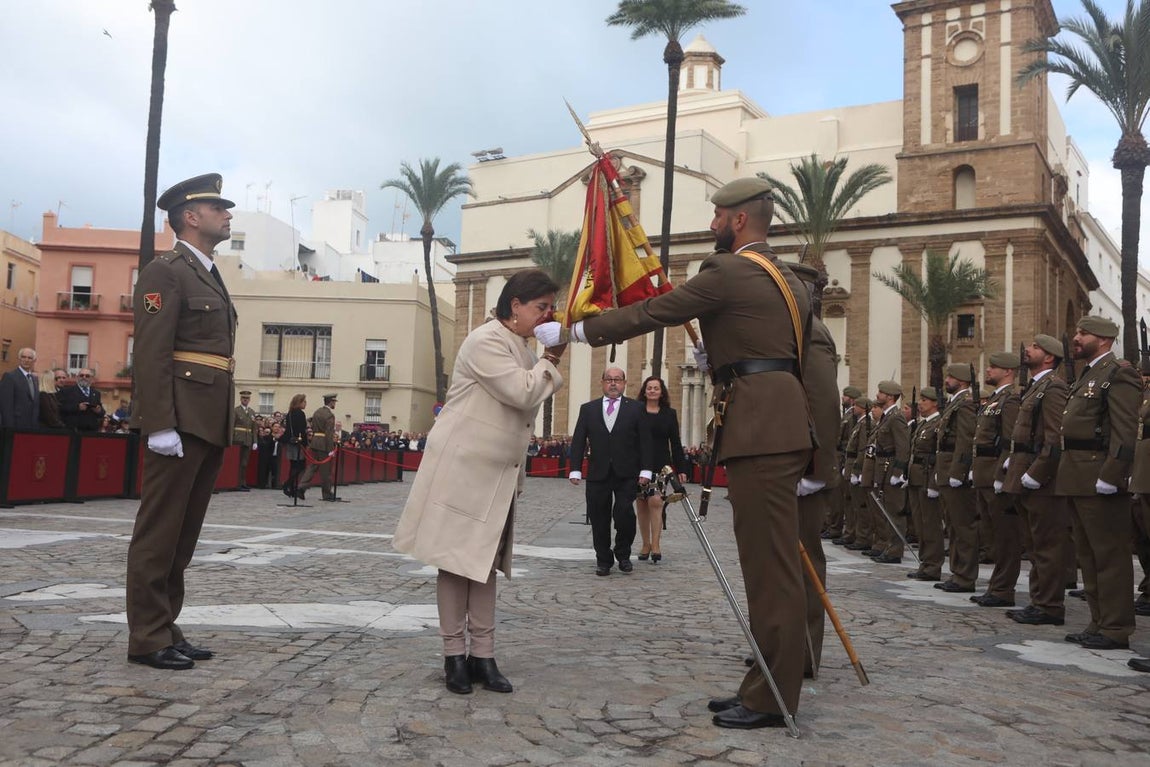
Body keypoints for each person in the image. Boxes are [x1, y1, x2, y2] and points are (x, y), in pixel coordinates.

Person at [539, 177, 813, 730]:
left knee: (769, 570)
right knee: (774, 564)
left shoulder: (729, 270)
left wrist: (575, 329)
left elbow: (653, 312)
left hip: (759, 426)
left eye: (717, 217)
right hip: (779, 418)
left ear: (739, 220)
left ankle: (771, 698)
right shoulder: (787, 280)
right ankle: (763, 681)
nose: (711, 225)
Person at [393, 269, 566, 696]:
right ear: (516, 306)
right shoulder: (486, 340)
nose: (548, 315)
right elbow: (523, 393)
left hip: (495, 476)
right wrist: (554, 357)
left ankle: (483, 655)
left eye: (550, 307)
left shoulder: (521, 348)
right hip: (464, 470)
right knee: (455, 563)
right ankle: (454, 655)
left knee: (484, 565)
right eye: (542, 307)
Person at [125, 173, 237, 671]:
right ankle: (147, 637)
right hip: (181, 419)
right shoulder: (165, 271)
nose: (227, 213)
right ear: (191, 217)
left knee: (183, 534)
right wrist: (159, 424)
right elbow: (152, 353)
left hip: (207, 418)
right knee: (158, 533)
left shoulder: (207, 271)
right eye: (218, 207)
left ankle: (167, 626)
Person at [1057, 316, 1140, 651]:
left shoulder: (1119, 373)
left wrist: (1112, 474)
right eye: (1077, 332)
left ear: (1104, 339)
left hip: (1099, 475)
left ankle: (1117, 627)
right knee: (1088, 555)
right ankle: (1098, 621)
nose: (1076, 338)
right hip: (1077, 475)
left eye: (1083, 333)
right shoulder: (1088, 374)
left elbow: (1124, 430)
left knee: (1110, 556)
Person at [1004, 335, 1071, 626]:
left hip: (1041, 478)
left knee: (1046, 545)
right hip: (1025, 471)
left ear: (1048, 358)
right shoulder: (1036, 387)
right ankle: (1039, 601)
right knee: (1033, 544)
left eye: (1034, 347)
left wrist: (1037, 472)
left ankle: (1050, 606)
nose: (1027, 349)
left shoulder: (1053, 388)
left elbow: (1054, 437)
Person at [568, 367, 653, 576]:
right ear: (602, 382)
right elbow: (579, 440)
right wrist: (575, 469)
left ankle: (623, 554)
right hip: (598, 473)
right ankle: (603, 559)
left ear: (624, 383)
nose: (613, 383)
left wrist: (646, 470)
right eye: (608, 379)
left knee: (624, 514)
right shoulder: (588, 409)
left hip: (627, 472)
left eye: (617, 380)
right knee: (598, 517)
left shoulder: (636, 408)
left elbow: (645, 442)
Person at [969, 352, 1021, 607]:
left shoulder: (1010, 400)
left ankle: (1003, 589)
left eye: (994, 367)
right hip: (984, 472)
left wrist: (1003, 473)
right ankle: (996, 586)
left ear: (1008, 372)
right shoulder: (995, 399)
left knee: (1005, 536)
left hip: (995, 473)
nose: (988, 370)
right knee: (992, 534)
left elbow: (1010, 441)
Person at [933, 364, 978, 594]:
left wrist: (959, 472)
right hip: (946, 470)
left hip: (954, 472)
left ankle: (965, 576)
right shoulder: (956, 402)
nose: (946, 380)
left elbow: (965, 439)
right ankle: (957, 573)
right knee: (953, 525)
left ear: (961, 381)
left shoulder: (966, 403)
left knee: (963, 526)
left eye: (950, 376)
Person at [634, 375, 686, 564]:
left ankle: (656, 544)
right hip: (639, 464)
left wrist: (681, 468)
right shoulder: (637, 411)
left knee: (656, 501)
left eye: (656, 388)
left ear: (661, 391)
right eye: (649, 387)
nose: (653, 391)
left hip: (661, 464)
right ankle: (645, 543)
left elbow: (676, 443)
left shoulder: (669, 414)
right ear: (644, 391)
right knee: (641, 503)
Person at [860, 380, 910, 564]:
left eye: (881, 392)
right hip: (882, 468)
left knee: (894, 511)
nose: (877, 395)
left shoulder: (896, 417)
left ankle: (895, 550)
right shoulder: (886, 417)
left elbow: (903, 447)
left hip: (890, 468)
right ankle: (889, 546)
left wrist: (899, 472)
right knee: (886, 510)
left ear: (889, 397)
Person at [906, 387, 944, 580]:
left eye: (925, 400)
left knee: (930, 525)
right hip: (916, 478)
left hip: (928, 477)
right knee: (920, 525)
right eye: (920, 399)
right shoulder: (922, 425)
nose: (920, 403)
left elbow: (938, 456)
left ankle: (933, 566)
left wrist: (934, 482)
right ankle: (925, 563)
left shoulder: (938, 423)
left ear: (935, 403)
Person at [299, 393, 338, 501]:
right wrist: (331, 449)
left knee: (313, 466)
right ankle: (327, 493)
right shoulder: (329, 415)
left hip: (315, 441)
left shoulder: (317, 412)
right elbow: (329, 433)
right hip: (324, 443)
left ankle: (301, 487)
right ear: (330, 402)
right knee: (325, 470)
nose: (335, 404)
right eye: (334, 402)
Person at [0, 347, 41, 430]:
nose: (26, 360)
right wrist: (10, 428)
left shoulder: (34, 379)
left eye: (30, 358)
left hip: (31, 426)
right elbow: (6, 405)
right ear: (19, 358)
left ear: (34, 360)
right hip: (15, 426)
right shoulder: (10, 377)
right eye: (23, 357)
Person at [281, 394, 309, 499]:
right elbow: (302, 430)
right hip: (299, 443)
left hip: (291, 442)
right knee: (300, 466)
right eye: (304, 401)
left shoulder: (290, 414)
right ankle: (288, 484)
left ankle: (291, 488)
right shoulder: (300, 414)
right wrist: (305, 443)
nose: (305, 404)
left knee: (293, 466)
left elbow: (288, 430)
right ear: (299, 402)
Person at [232, 390, 257, 490]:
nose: (245, 400)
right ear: (241, 399)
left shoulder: (251, 412)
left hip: (248, 439)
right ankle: (236, 483)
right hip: (238, 438)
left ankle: (243, 482)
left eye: (247, 399)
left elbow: (254, 428)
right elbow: (232, 425)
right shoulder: (236, 410)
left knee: (245, 462)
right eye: (244, 398)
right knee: (238, 462)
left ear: (249, 400)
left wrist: (255, 441)